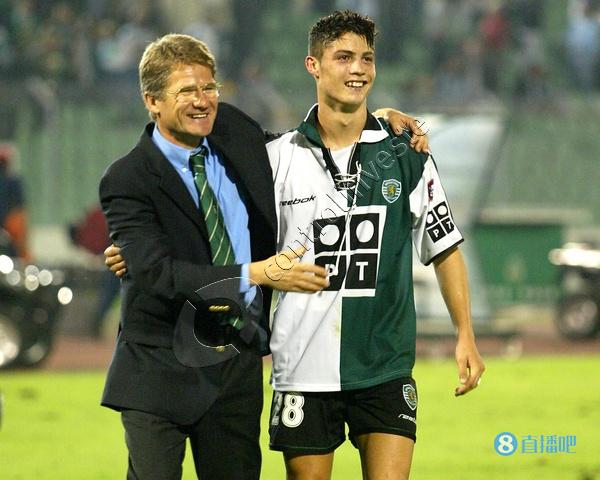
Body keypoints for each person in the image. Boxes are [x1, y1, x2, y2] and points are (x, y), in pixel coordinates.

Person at [99, 32, 425, 480]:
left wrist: (371, 117)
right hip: (161, 369)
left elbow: (300, 147)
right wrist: (257, 273)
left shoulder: (231, 130)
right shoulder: (127, 178)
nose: (202, 101)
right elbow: (159, 274)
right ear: (152, 101)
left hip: (235, 367)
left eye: (209, 87)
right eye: (186, 91)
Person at [264, 11, 485, 480]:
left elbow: (445, 248)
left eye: (367, 58)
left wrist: (465, 333)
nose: (358, 69)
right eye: (343, 57)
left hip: (385, 363)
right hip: (302, 364)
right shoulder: (277, 158)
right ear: (313, 65)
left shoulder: (408, 154)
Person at [0, 143, 31, 262]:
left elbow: (19, 208)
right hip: (10, 227)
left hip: (10, 226)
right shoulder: (14, 181)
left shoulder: (13, 181)